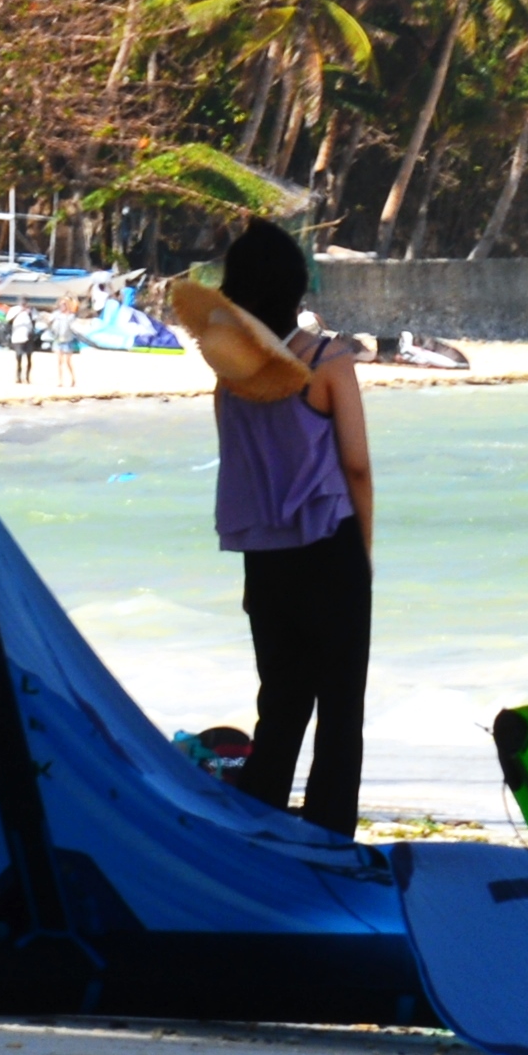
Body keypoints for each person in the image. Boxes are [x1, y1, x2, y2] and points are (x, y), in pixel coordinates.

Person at [162, 223, 372, 831]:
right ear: (297, 287)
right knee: (338, 710)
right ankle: (331, 835)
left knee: (280, 706)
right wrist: (365, 549)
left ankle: (261, 828)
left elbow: (244, 468)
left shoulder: (231, 379)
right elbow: (355, 465)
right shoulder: (330, 361)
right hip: (330, 549)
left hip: (266, 558)